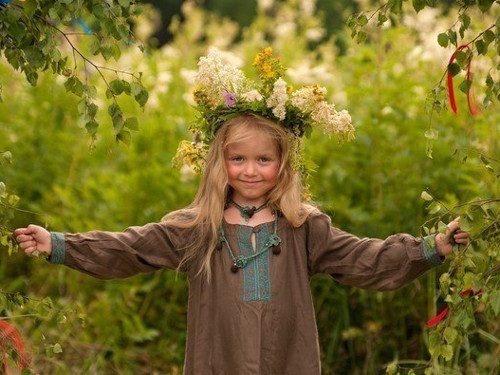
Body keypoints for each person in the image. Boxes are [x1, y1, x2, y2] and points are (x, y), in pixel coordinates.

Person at [14, 48, 469, 374]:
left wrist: (432, 247)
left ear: (283, 164)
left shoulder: (303, 227)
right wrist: (59, 244)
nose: (251, 171)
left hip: (286, 361)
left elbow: (366, 259)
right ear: (220, 164)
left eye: (264, 160)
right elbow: (130, 247)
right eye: (238, 159)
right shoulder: (197, 228)